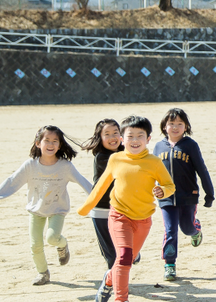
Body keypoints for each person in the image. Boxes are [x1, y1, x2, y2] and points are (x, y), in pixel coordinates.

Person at [79, 116, 176, 302]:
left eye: (140, 136)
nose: (135, 140)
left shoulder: (154, 162)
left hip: (143, 219)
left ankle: (108, 280)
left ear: (148, 139)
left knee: (127, 260)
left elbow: (170, 185)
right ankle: (121, 299)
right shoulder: (116, 159)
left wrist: (162, 191)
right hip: (119, 215)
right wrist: (85, 208)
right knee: (123, 257)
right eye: (130, 136)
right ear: (123, 139)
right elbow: (101, 185)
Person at [0, 125, 93, 286]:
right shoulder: (30, 165)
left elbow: (83, 182)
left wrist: (101, 200)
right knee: (35, 245)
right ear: (38, 143)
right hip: (36, 210)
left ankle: (62, 245)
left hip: (57, 209)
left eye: (55, 141)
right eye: (47, 140)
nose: (51, 144)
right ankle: (43, 273)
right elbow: (12, 181)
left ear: (60, 145)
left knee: (52, 238)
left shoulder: (65, 166)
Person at [154, 108, 215, 281]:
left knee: (186, 228)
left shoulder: (190, 145)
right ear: (165, 126)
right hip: (165, 198)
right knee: (170, 230)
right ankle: (170, 264)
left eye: (180, 124)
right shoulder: (159, 146)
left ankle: (195, 229)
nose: (175, 127)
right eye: (171, 124)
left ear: (186, 126)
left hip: (188, 196)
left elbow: (201, 169)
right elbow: (151, 173)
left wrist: (209, 194)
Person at [81, 119, 123, 270]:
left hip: (122, 208)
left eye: (115, 133)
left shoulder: (127, 152)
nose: (112, 137)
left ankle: (132, 255)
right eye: (107, 134)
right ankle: (116, 283)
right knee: (111, 254)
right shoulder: (102, 157)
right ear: (100, 137)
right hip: (101, 209)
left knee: (124, 249)